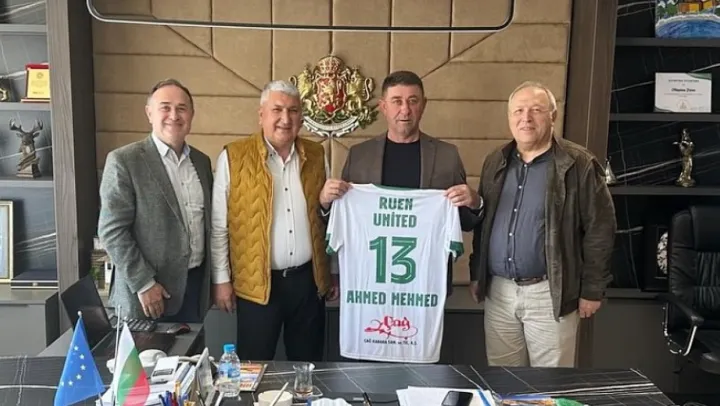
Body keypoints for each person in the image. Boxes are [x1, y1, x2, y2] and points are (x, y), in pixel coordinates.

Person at [468, 81, 616, 367]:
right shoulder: (495, 161)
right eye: (518, 111)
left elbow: (600, 229)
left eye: (536, 110)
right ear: (509, 117)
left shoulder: (578, 164)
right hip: (499, 292)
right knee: (503, 381)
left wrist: (592, 289)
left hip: (550, 293)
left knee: (549, 384)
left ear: (553, 116)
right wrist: (478, 273)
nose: (526, 118)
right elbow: (484, 225)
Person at [211, 80, 336, 362]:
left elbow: (327, 220)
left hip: (308, 283)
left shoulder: (316, 155)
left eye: (293, 111)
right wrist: (221, 280)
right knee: (253, 366)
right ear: (261, 115)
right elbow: (219, 226)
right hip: (257, 284)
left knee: (308, 365)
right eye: (277, 110)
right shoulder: (234, 157)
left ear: (301, 117)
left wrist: (332, 272)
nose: (285, 119)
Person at [319, 70, 483, 285]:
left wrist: (474, 203)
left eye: (413, 101)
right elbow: (343, 220)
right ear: (383, 107)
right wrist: (326, 203)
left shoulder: (447, 156)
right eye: (397, 101)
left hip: (427, 281)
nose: (405, 109)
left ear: (423, 105)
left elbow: (464, 222)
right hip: (369, 278)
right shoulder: (359, 156)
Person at [98, 78, 214, 323]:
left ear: (191, 115)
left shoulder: (201, 162)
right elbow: (111, 231)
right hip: (146, 296)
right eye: (165, 107)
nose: (174, 115)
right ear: (149, 113)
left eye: (182, 108)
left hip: (194, 290)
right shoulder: (124, 161)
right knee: (145, 351)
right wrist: (144, 283)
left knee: (192, 349)